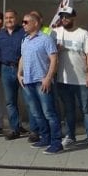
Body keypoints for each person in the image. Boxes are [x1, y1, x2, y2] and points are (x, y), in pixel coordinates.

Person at [53, 7, 88, 152]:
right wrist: (56, 49)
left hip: (81, 80)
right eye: (62, 17)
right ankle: (70, 136)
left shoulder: (83, 34)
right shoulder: (56, 33)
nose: (64, 19)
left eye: (67, 16)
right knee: (68, 110)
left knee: (86, 109)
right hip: (63, 79)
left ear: (74, 17)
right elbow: (48, 52)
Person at [18, 12, 63, 154]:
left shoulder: (46, 39)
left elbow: (54, 59)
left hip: (41, 81)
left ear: (35, 23)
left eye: (26, 22)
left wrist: (48, 78)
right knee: (36, 113)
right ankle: (45, 138)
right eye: (23, 22)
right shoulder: (25, 40)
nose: (23, 25)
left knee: (49, 112)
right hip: (28, 81)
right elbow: (23, 57)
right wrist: (19, 73)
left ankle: (56, 142)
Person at [0, 9, 28, 140]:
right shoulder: (0, 35)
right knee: (10, 101)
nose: (9, 20)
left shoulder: (23, 32)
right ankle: (15, 129)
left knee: (28, 99)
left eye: (11, 17)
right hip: (6, 69)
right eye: (6, 18)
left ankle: (35, 130)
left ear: (16, 18)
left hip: (23, 69)